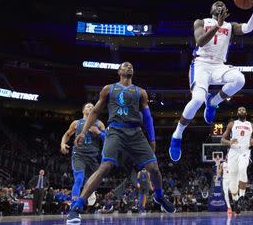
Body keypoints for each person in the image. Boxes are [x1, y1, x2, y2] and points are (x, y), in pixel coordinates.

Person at [67, 62, 175, 224]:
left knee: (154, 168)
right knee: (105, 167)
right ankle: (77, 207)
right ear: (119, 71)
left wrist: (152, 139)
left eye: (131, 65)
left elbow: (147, 118)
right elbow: (95, 112)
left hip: (135, 133)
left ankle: (159, 198)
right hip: (115, 131)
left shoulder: (140, 92)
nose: (128, 66)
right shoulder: (108, 89)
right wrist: (83, 132)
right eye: (124, 65)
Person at [169, 0, 253, 162]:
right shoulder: (201, 22)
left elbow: (248, 28)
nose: (219, 5)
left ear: (227, 11)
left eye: (223, 4)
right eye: (216, 4)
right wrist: (217, 26)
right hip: (201, 65)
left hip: (219, 65)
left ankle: (212, 102)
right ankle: (177, 135)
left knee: (240, 79)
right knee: (197, 100)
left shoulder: (230, 26)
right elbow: (200, 42)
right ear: (212, 10)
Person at [60, 103, 106, 201]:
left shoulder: (99, 124)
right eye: (88, 106)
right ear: (83, 110)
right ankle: (74, 207)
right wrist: (63, 144)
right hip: (79, 154)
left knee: (95, 180)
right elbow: (67, 134)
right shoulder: (76, 123)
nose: (91, 107)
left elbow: (107, 139)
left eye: (93, 107)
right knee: (78, 179)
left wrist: (98, 132)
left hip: (93, 156)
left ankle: (90, 189)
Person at [221, 106, 253, 214]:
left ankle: (241, 197)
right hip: (233, 152)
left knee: (243, 168)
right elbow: (222, 140)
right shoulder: (232, 124)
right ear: (237, 113)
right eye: (239, 110)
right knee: (233, 181)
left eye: (243, 110)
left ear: (246, 113)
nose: (241, 111)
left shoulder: (251, 125)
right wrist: (229, 142)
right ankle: (236, 201)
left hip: (245, 151)